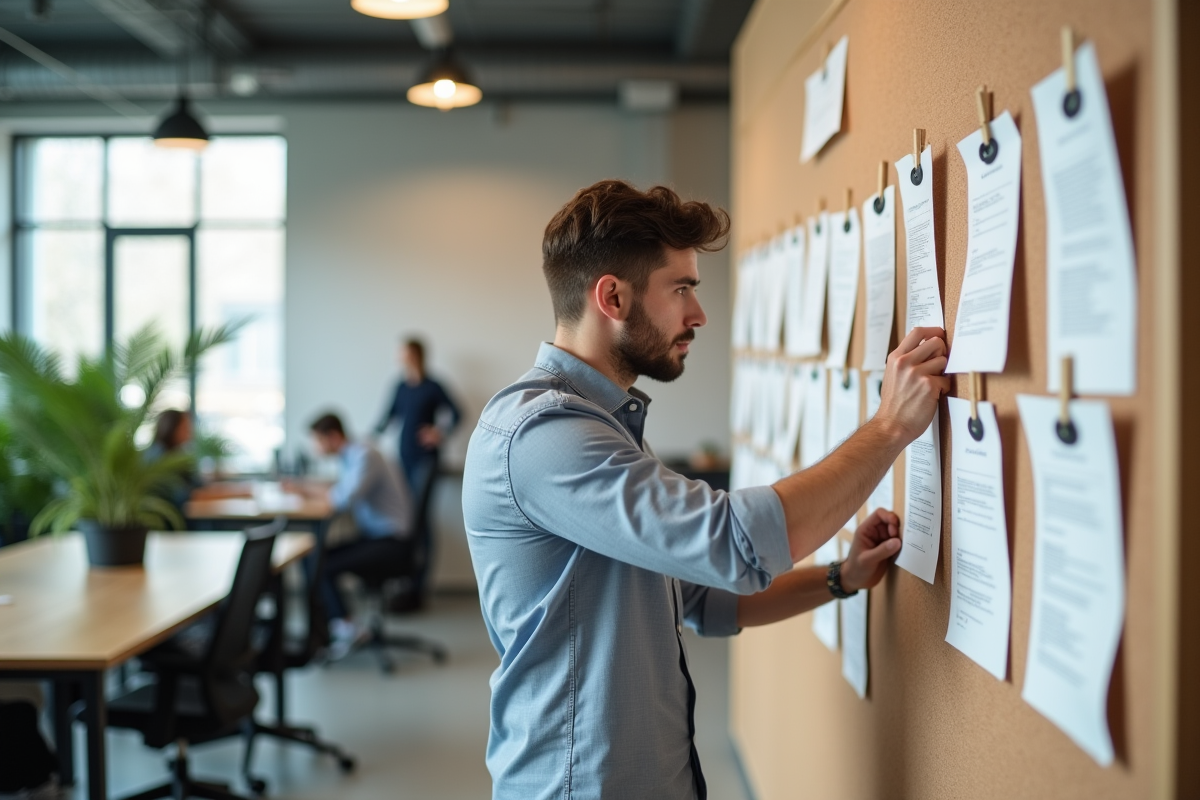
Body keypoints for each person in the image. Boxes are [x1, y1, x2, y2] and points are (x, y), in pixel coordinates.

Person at [462, 180, 949, 800]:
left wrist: (840, 578)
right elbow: (733, 545)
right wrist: (889, 428)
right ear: (611, 296)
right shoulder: (543, 435)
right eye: (682, 288)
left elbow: (702, 596)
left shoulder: (607, 425)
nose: (698, 314)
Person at [306, 412, 414, 658]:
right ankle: (328, 629)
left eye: (317, 440)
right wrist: (307, 489)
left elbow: (342, 499)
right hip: (378, 536)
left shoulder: (365, 455)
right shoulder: (351, 457)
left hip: (392, 542)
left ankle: (345, 628)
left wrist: (311, 492)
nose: (315, 447)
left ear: (332, 437)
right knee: (316, 555)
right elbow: (338, 491)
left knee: (321, 563)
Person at [374, 338, 461, 496]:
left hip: (426, 457)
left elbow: (458, 414)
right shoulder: (400, 387)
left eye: (403, 354)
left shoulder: (433, 386)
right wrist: (370, 437)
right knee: (408, 506)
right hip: (404, 453)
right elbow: (388, 416)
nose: (399, 358)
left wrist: (440, 433)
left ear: (415, 355)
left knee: (420, 509)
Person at [145, 408, 198, 510]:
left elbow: (193, 483)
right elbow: (177, 494)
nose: (189, 431)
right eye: (185, 427)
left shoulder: (177, 455)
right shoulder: (157, 456)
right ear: (171, 427)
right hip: (166, 516)